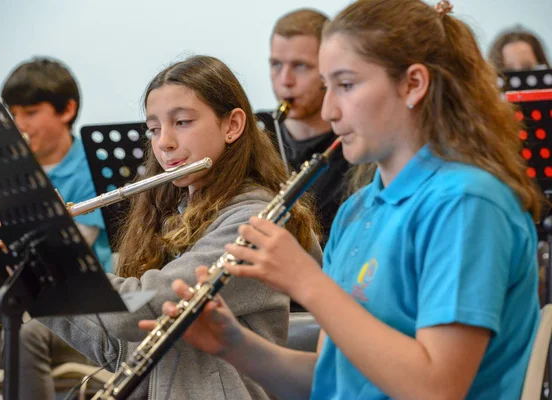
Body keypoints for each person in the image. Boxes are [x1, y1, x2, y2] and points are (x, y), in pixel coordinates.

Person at [148, 1, 543, 399]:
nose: (329, 109)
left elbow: (437, 388)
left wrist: (307, 282)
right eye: (327, 85)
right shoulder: (359, 210)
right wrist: (235, 347)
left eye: (346, 85)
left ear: (413, 84)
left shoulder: (468, 203)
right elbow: (332, 378)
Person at [39, 55, 322, 399]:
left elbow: (142, 309)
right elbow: (120, 351)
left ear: (232, 125)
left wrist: (61, 258)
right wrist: (33, 279)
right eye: (154, 129)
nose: (164, 143)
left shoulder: (256, 222)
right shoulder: (176, 215)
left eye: (183, 122)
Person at [0, 58, 113, 400]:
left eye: (30, 112)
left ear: (67, 110)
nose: (19, 124)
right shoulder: (7, 171)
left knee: (25, 336)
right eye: (13, 114)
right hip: (19, 304)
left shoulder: (91, 168)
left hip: (80, 307)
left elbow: (64, 255)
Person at [256, 9, 352, 245]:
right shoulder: (255, 134)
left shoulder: (355, 145)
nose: (285, 80)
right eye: (276, 64)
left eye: (300, 66)